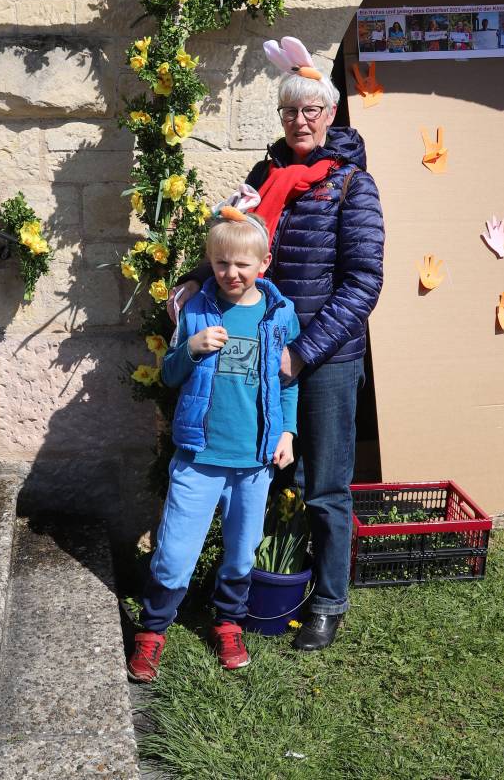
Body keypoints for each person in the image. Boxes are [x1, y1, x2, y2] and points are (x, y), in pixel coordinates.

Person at [170, 42, 384, 653]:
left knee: (325, 481)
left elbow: (364, 281)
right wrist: (193, 279)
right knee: (263, 466)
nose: (301, 121)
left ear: (331, 114)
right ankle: (251, 581)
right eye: (291, 111)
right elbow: (237, 248)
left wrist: (304, 353)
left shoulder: (351, 186)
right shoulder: (265, 178)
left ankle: (329, 600)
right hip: (260, 348)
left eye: (312, 110)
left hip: (325, 355)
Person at [127, 209, 300, 682]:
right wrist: (192, 347)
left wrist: (286, 431)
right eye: (222, 263)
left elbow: (287, 383)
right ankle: (153, 630)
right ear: (210, 262)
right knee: (176, 550)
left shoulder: (278, 314)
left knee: (243, 551)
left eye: (243, 264)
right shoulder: (197, 309)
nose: (232, 273)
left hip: (254, 460)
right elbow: (169, 374)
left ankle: (228, 623)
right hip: (199, 458)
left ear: (263, 265)